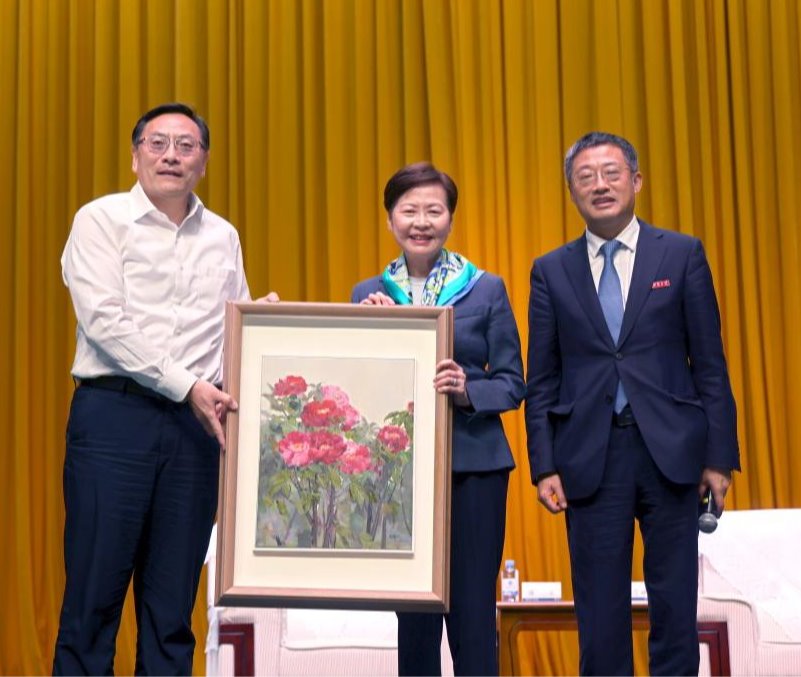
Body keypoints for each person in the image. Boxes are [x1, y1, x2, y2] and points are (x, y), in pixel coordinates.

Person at [54, 103, 272, 675]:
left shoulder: (223, 235)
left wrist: (268, 326)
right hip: (114, 418)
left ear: (203, 161)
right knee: (92, 605)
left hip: (195, 432)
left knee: (172, 612)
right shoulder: (99, 220)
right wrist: (188, 385)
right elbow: (104, 322)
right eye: (158, 143)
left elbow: (233, 326)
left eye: (186, 145)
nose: (171, 155)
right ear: (135, 156)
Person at [525, 131, 740, 675]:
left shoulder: (682, 254)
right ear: (572, 191)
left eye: (612, 173)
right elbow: (542, 379)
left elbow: (710, 365)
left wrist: (719, 458)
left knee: (675, 610)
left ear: (636, 181)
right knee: (600, 619)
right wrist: (543, 465)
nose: (600, 185)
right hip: (589, 457)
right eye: (586, 177)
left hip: (672, 453)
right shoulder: (551, 270)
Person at [352, 162, 525, 676]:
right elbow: (355, 390)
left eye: (434, 210)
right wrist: (370, 334)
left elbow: (513, 382)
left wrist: (467, 389)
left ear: (450, 218)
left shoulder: (485, 289)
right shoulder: (368, 294)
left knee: (473, 613)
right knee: (413, 616)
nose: (421, 222)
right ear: (390, 219)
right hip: (397, 473)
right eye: (409, 210)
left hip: (474, 467)